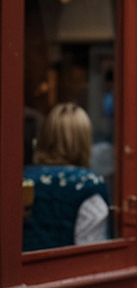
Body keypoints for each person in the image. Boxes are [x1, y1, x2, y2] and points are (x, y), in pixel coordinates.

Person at [22, 103, 110, 252]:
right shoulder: (88, 185)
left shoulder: (21, 177)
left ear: (45, 137)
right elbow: (91, 252)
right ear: (85, 141)